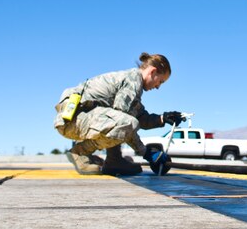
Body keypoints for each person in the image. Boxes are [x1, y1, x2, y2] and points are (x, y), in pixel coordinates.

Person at [54, 52, 185, 176]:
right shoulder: (133, 81)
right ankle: (80, 152)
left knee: (125, 120)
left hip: (79, 119)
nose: (158, 87)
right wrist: (146, 153)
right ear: (153, 71)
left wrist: (163, 118)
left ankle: (114, 160)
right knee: (127, 122)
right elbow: (125, 122)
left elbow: (139, 116)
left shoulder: (132, 81)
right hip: (74, 120)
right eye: (160, 81)